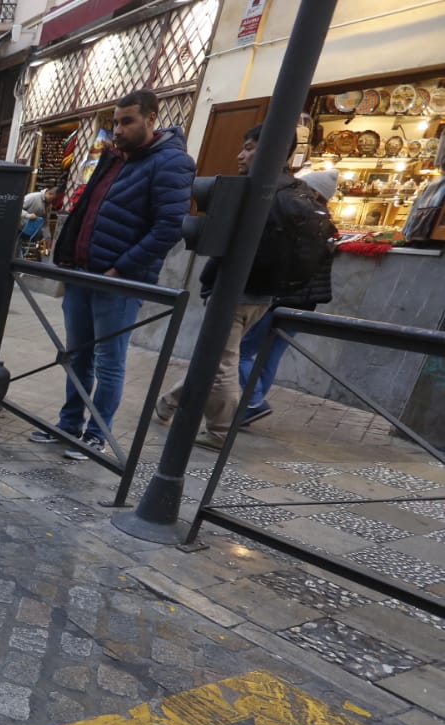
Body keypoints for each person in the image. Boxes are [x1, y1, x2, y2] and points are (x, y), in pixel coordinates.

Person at [30, 90, 193, 459]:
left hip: (118, 281)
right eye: (115, 122)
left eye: (127, 121)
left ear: (151, 119)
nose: (118, 130)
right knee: (76, 356)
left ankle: (96, 433)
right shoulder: (112, 157)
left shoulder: (172, 163)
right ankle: (68, 424)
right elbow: (87, 207)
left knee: (108, 361)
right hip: (84, 275)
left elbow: (169, 227)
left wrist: (121, 269)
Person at [154, 126, 334, 448]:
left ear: (276, 151)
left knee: (223, 363)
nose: (240, 155)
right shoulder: (300, 192)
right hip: (265, 295)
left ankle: (220, 432)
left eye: (249, 148)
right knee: (216, 355)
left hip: (236, 292)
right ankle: (168, 401)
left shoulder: (258, 194)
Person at [234, 166, 339, 425]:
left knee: (241, 351)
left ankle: (254, 401)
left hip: (282, 298)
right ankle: (250, 405)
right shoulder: (327, 225)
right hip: (305, 305)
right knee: (270, 356)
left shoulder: (297, 221)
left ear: (313, 192)